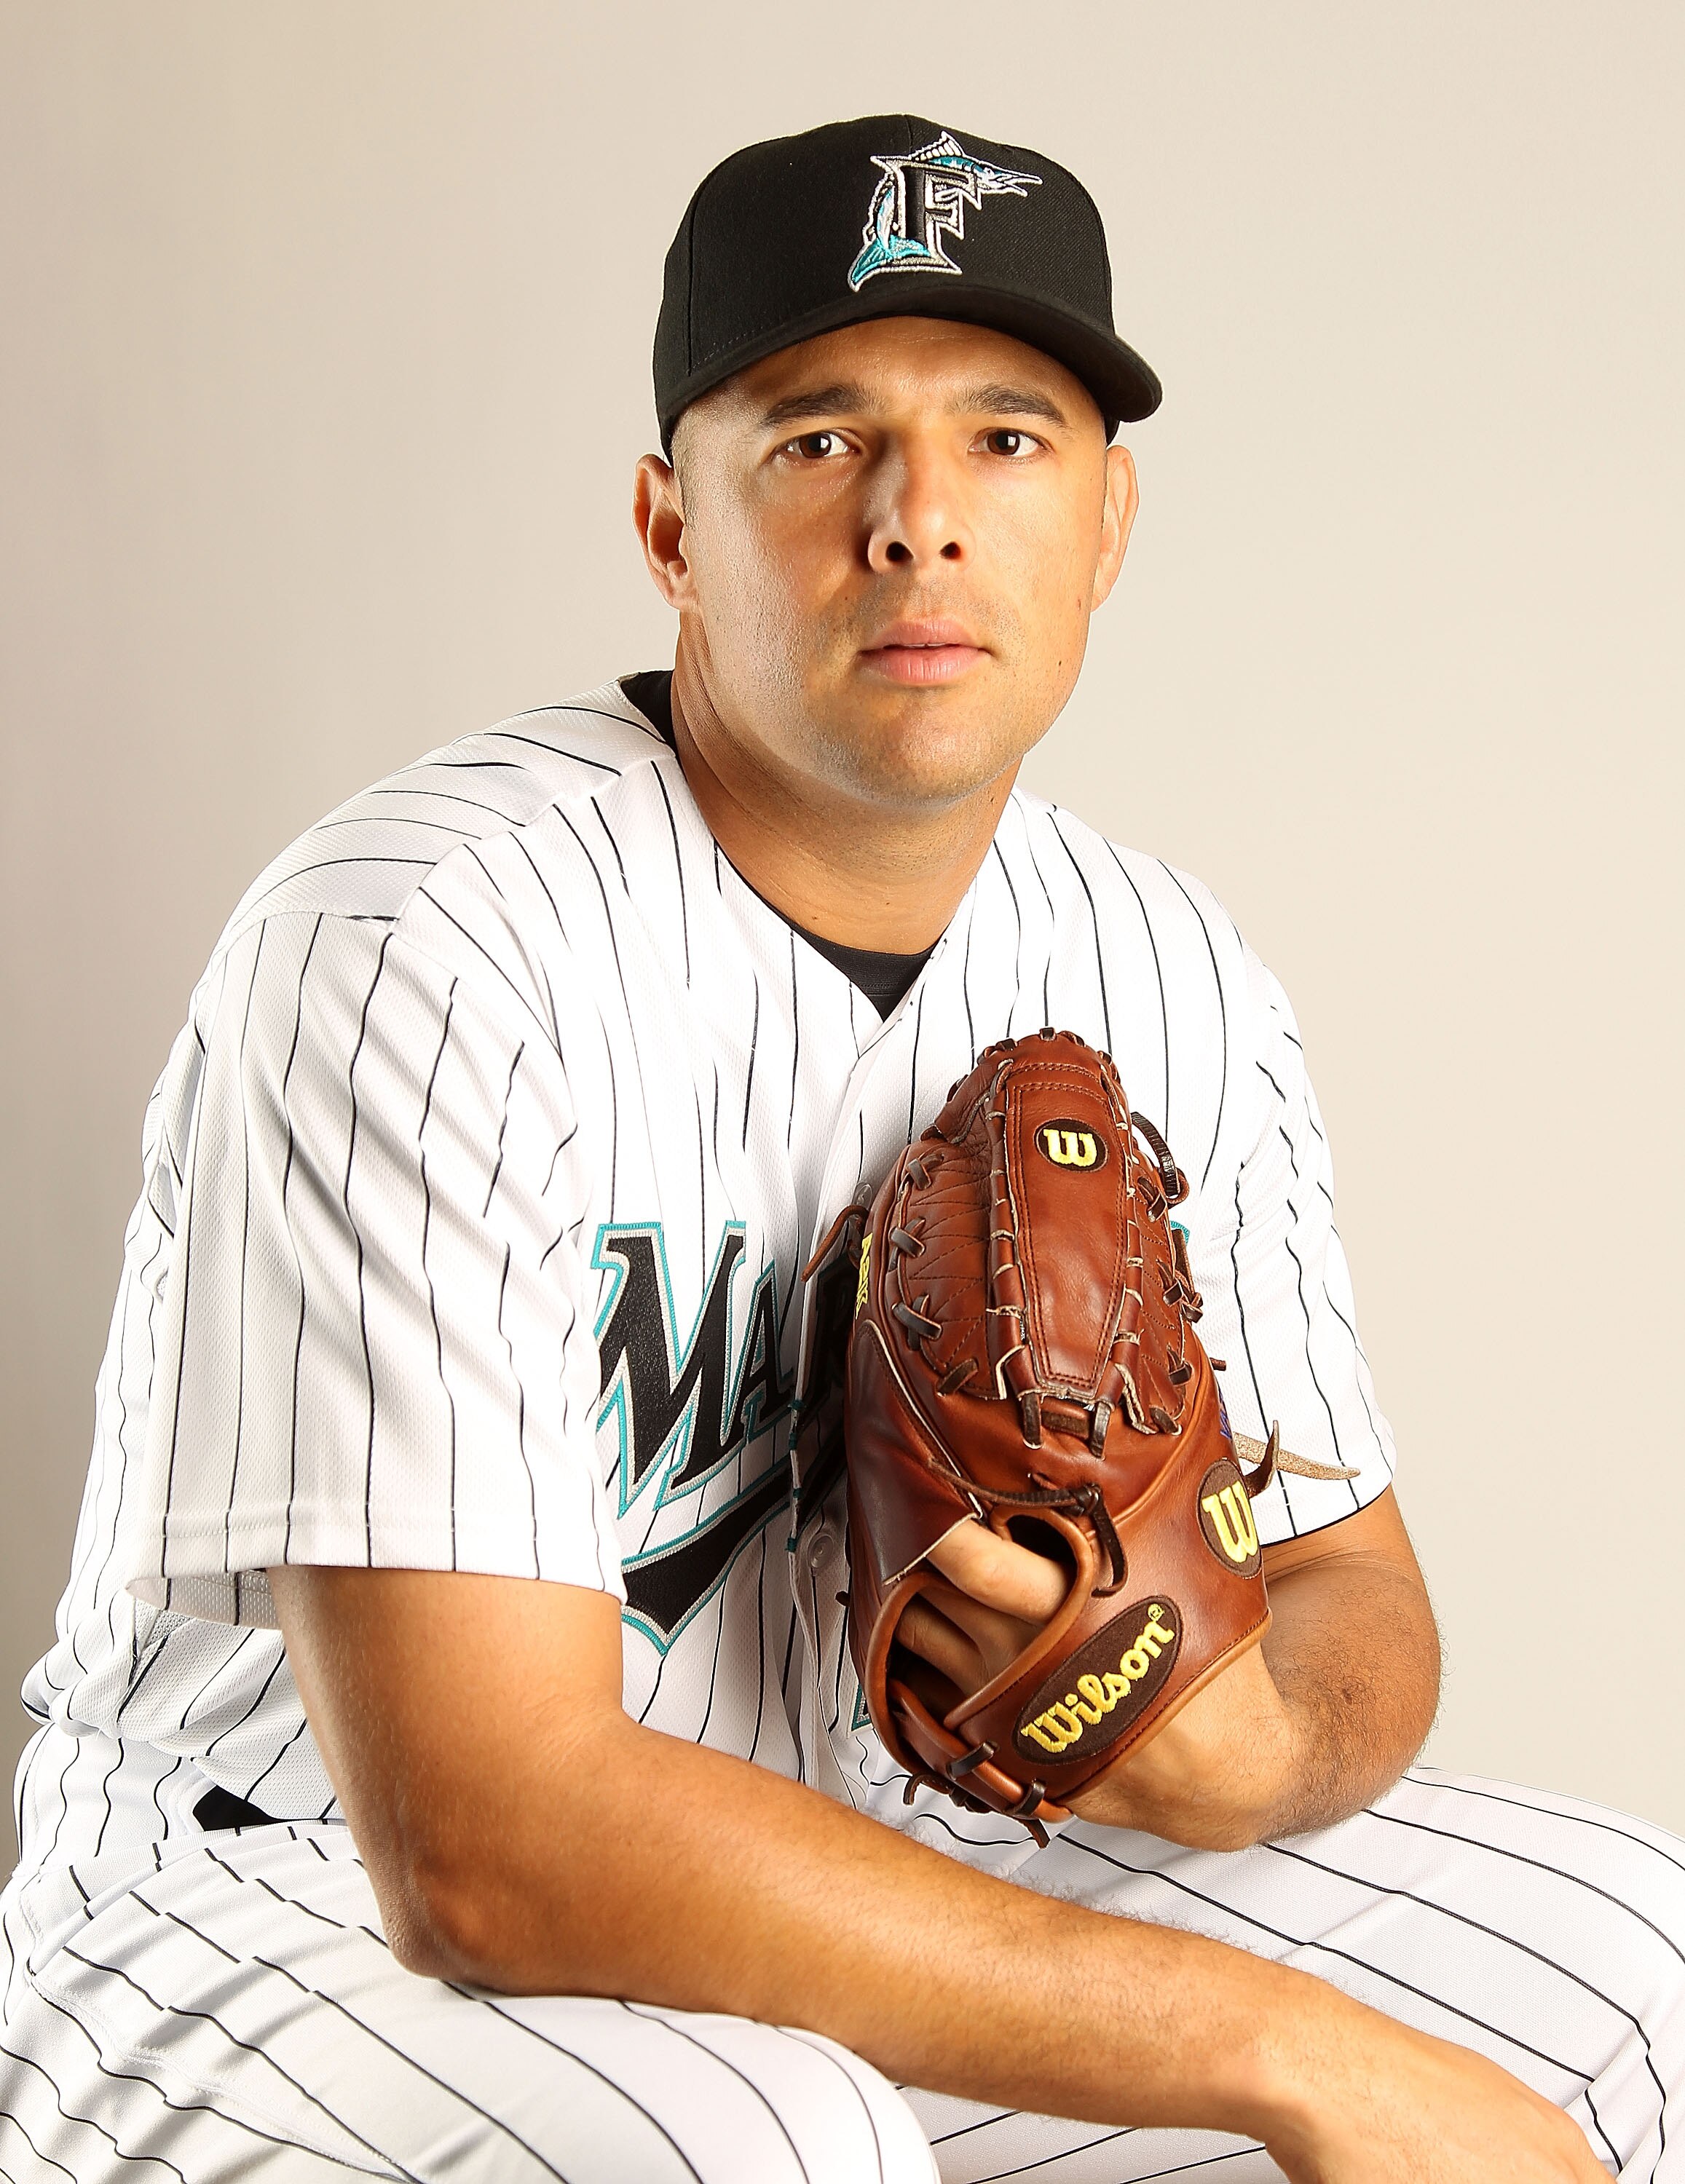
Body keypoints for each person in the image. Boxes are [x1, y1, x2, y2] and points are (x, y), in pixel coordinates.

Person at [1, 112, 1679, 2184]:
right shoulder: (424, 934)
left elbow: (1351, 1594)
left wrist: (1248, 1746)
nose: (916, 522)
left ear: (1109, 520)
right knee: (757, 2142)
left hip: (853, 1847)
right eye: (814, 440)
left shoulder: (1165, 965)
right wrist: (1284, 2051)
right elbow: (488, 1844)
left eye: (1004, 437)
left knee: (1630, 1968)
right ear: (666, 525)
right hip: (271, 1906)